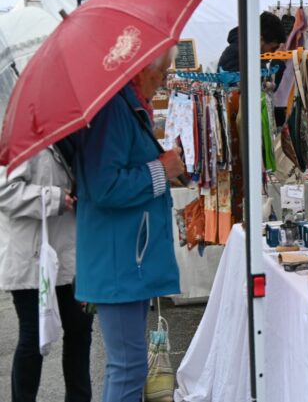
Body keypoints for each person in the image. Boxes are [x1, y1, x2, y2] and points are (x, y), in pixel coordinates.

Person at [72, 46, 186, 402]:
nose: (165, 79)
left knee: (130, 365)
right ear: (139, 71)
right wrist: (161, 170)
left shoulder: (126, 106)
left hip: (125, 255)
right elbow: (104, 186)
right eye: (162, 72)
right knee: (127, 366)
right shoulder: (114, 110)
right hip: (120, 258)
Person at [0, 148, 93, 402]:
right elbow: (4, 190)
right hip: (30, 255)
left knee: (80, 328)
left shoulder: (69, 133)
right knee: (33, 337)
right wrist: (52, 198)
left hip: (68, 251)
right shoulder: (18, 134)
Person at [216, 11, 286, 72]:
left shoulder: (252, 55)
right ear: (260, 40)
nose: (274, 53)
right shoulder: (239, 57)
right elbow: (236, 86)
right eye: (273, 48)